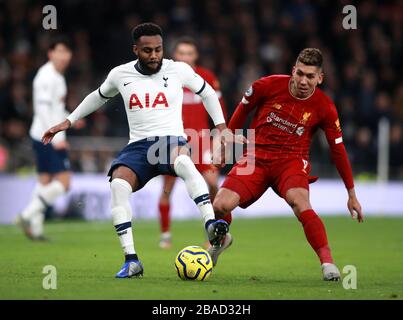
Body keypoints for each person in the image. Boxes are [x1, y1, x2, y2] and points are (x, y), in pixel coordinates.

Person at [42, 23, 244, 278]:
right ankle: (132, 260)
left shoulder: (178, 70)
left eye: (158, 49)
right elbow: (97, 96)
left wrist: (222, 128)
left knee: (183, 163)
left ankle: (210, 225)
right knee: (118, 184)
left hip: (169, 142)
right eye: (147, 50)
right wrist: (68, 121)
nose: (154, 55)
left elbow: (208, 94)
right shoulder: (120, 74)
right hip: (137, 146)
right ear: (135, 49)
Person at [209, 48, 364, 281]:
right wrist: (224, 146)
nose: (303, 81)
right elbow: (242, 111)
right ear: (293, 70)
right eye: (299, 74)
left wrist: (351, 193)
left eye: (310, 76)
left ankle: (328, 263)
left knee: (301, 203)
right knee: (220, 205)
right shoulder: (266, 86)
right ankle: (222, 240)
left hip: (291, 162)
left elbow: (338, 150)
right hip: (256, 158)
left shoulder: (325, 107)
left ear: (320, 78)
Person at [158, 37, 230, 249]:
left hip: (201, 142)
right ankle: (165, 235)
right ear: (175, 56)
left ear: (195, 56)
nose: (186, 57)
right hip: (173, 140)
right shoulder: (166, 77)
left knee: (213, 183)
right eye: (182, 53)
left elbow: (220, 111)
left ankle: (217, 232)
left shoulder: (206, 77)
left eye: (190, 53)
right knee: (167, 188)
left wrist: (218, 140)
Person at [17, 37, 74, 240]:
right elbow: (41, 109)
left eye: (67, 52)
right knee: (65, 182)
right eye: (59, 51)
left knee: (44, 180)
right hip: (47, 137)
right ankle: (26, 215)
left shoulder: (57, 76)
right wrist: (56, 137)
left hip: (43, 134)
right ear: (50, 54)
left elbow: (53, 107)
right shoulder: (46, 76)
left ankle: (36, 229)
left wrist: (70, 117)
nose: (64, 56)